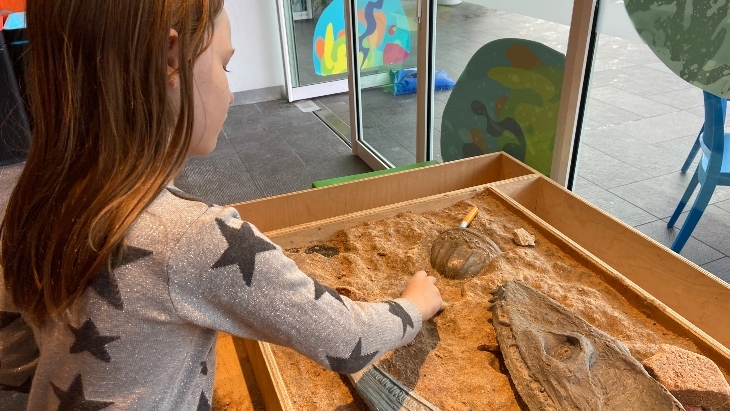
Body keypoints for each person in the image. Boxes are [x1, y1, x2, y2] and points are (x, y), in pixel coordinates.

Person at [0, 1, 442, 409]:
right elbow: (349, 340)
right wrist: (416, 305)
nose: (230, 93)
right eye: (224, 64)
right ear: (171, 60)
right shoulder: (192, 238)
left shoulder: (30, 197)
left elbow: (15, 361)